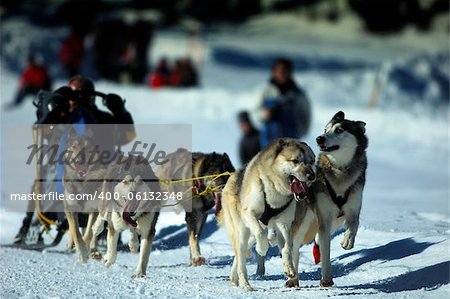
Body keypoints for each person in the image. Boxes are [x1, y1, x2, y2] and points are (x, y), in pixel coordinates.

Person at [260, 58, 311, 147]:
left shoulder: (297, 94)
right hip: (269, 141)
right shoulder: (266, 91)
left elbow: (305, 117)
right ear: (274, 72)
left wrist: (299, 133)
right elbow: (254, 112)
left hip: (291, 140)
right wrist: (264, 115)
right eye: (279, 71)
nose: (282, 74)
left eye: (285, 71)